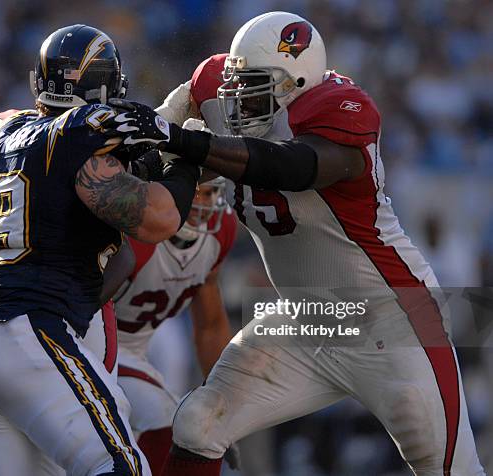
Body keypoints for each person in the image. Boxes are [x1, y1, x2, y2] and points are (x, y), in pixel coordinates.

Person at [102, 12, 485, 476]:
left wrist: (189, 145)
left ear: (296, 83)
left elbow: (291, 167)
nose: (237, 97)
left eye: (255, 85)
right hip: (308, 318)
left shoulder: (341, 110)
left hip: (394, 319)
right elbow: (156, 137)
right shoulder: (217, 86)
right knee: (200, 423)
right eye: (237, 82)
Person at [0, 24, 199, 476]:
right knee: (122, 467)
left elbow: (67, 174)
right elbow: (157, 219)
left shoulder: (6, 131)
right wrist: (185, 163)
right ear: (104, 88)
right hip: (26, 334)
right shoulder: (79, 132)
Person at [114, 177, 236, 475]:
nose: (203, 205)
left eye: (210, 194)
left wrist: (223, 409)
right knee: (163, 422)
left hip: (136, 349)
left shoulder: (220, 232)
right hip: (92, 343)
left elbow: (210, 325)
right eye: (195, 193)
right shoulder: (134, 232)